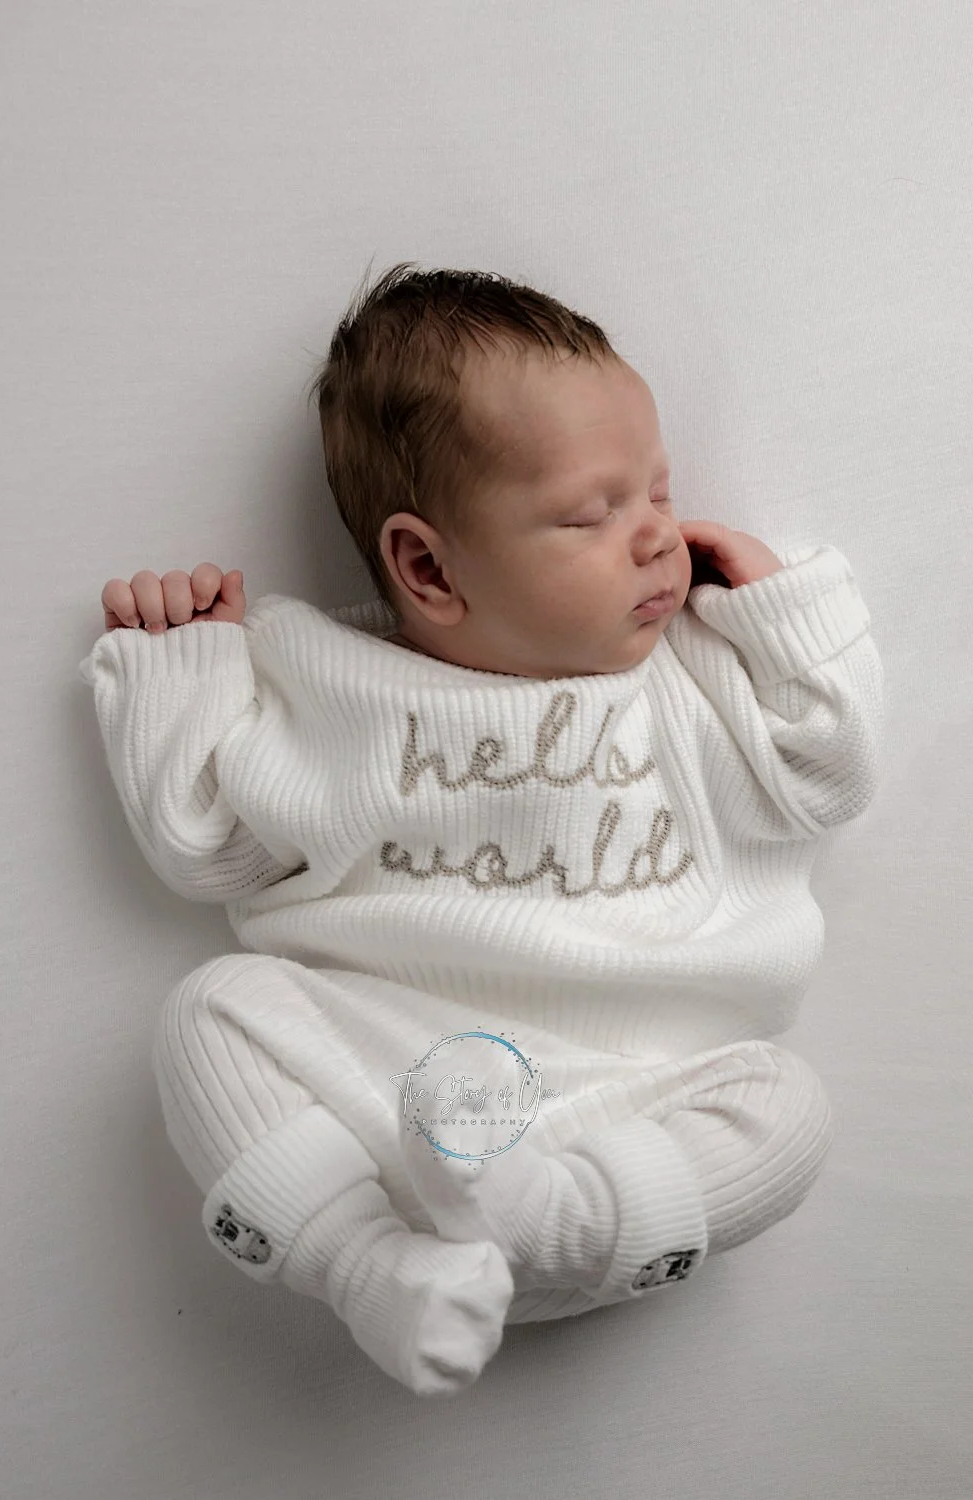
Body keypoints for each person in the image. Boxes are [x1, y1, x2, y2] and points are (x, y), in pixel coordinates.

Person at [78, 263, 884, 1399]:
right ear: (426, 566)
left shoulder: (693, 673)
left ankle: (528, 1224)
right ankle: (367, 1266)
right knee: (213, 1015)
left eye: (656, 490)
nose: (655, 539)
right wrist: (183, 669)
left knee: (786, 1114)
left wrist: (781, 614)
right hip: (392, 1075)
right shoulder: (332, 684)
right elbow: (208, 843)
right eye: (591, 514)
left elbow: (828, 775)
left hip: (643, 1084)